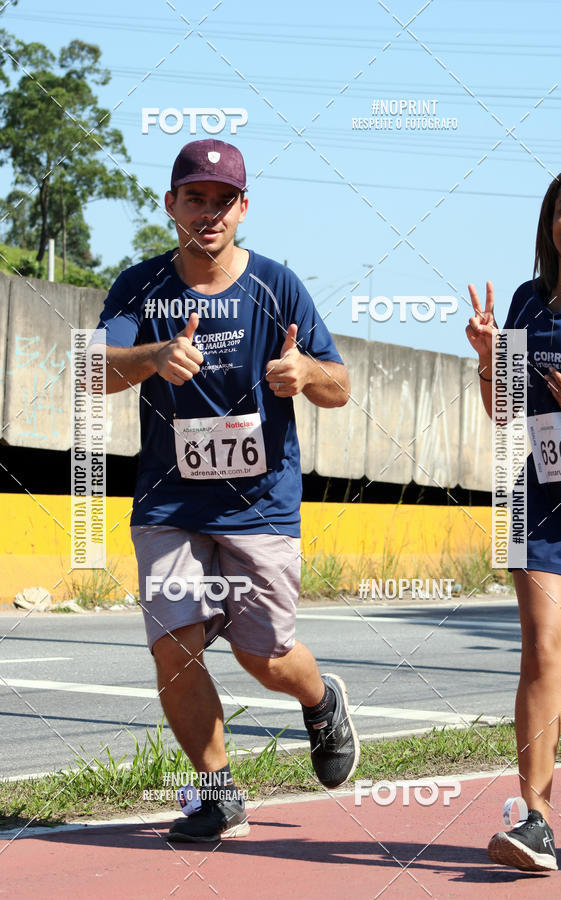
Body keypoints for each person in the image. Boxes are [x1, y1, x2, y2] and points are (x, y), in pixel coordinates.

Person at [96, 139, 359, 842]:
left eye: (223, 200)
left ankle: (321, 696)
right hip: (170, 503)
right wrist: (151, 356)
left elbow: (340, 384)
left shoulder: (277, 285)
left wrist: (303, 372)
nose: (208, 214)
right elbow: (91, 372)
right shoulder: (140, 286)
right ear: (170, 205)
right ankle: (217, 794)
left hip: (260, 503)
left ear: (243, 208)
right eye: (195, 199)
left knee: (264, 657)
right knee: (173, 647)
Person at [466, 162, 561, 872]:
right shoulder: (527, 301)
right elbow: (505, 411)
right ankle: (537, 823)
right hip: (542, 500)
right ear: (549, 223)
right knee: (543, 656)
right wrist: (490, 361)